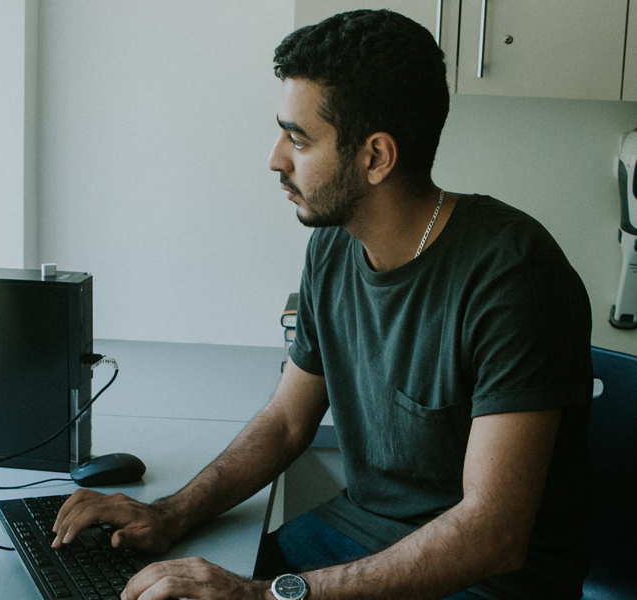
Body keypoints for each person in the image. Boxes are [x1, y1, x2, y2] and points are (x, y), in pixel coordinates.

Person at [52, 9, 594, 600]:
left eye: (300, 138)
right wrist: (171, 514)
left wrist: (265, 595)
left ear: (376, 156)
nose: (276, 159)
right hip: (354, 537)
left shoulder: (514, 276)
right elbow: (286, 422)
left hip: (484, 580)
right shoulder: (333, 247)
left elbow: (493, 535)